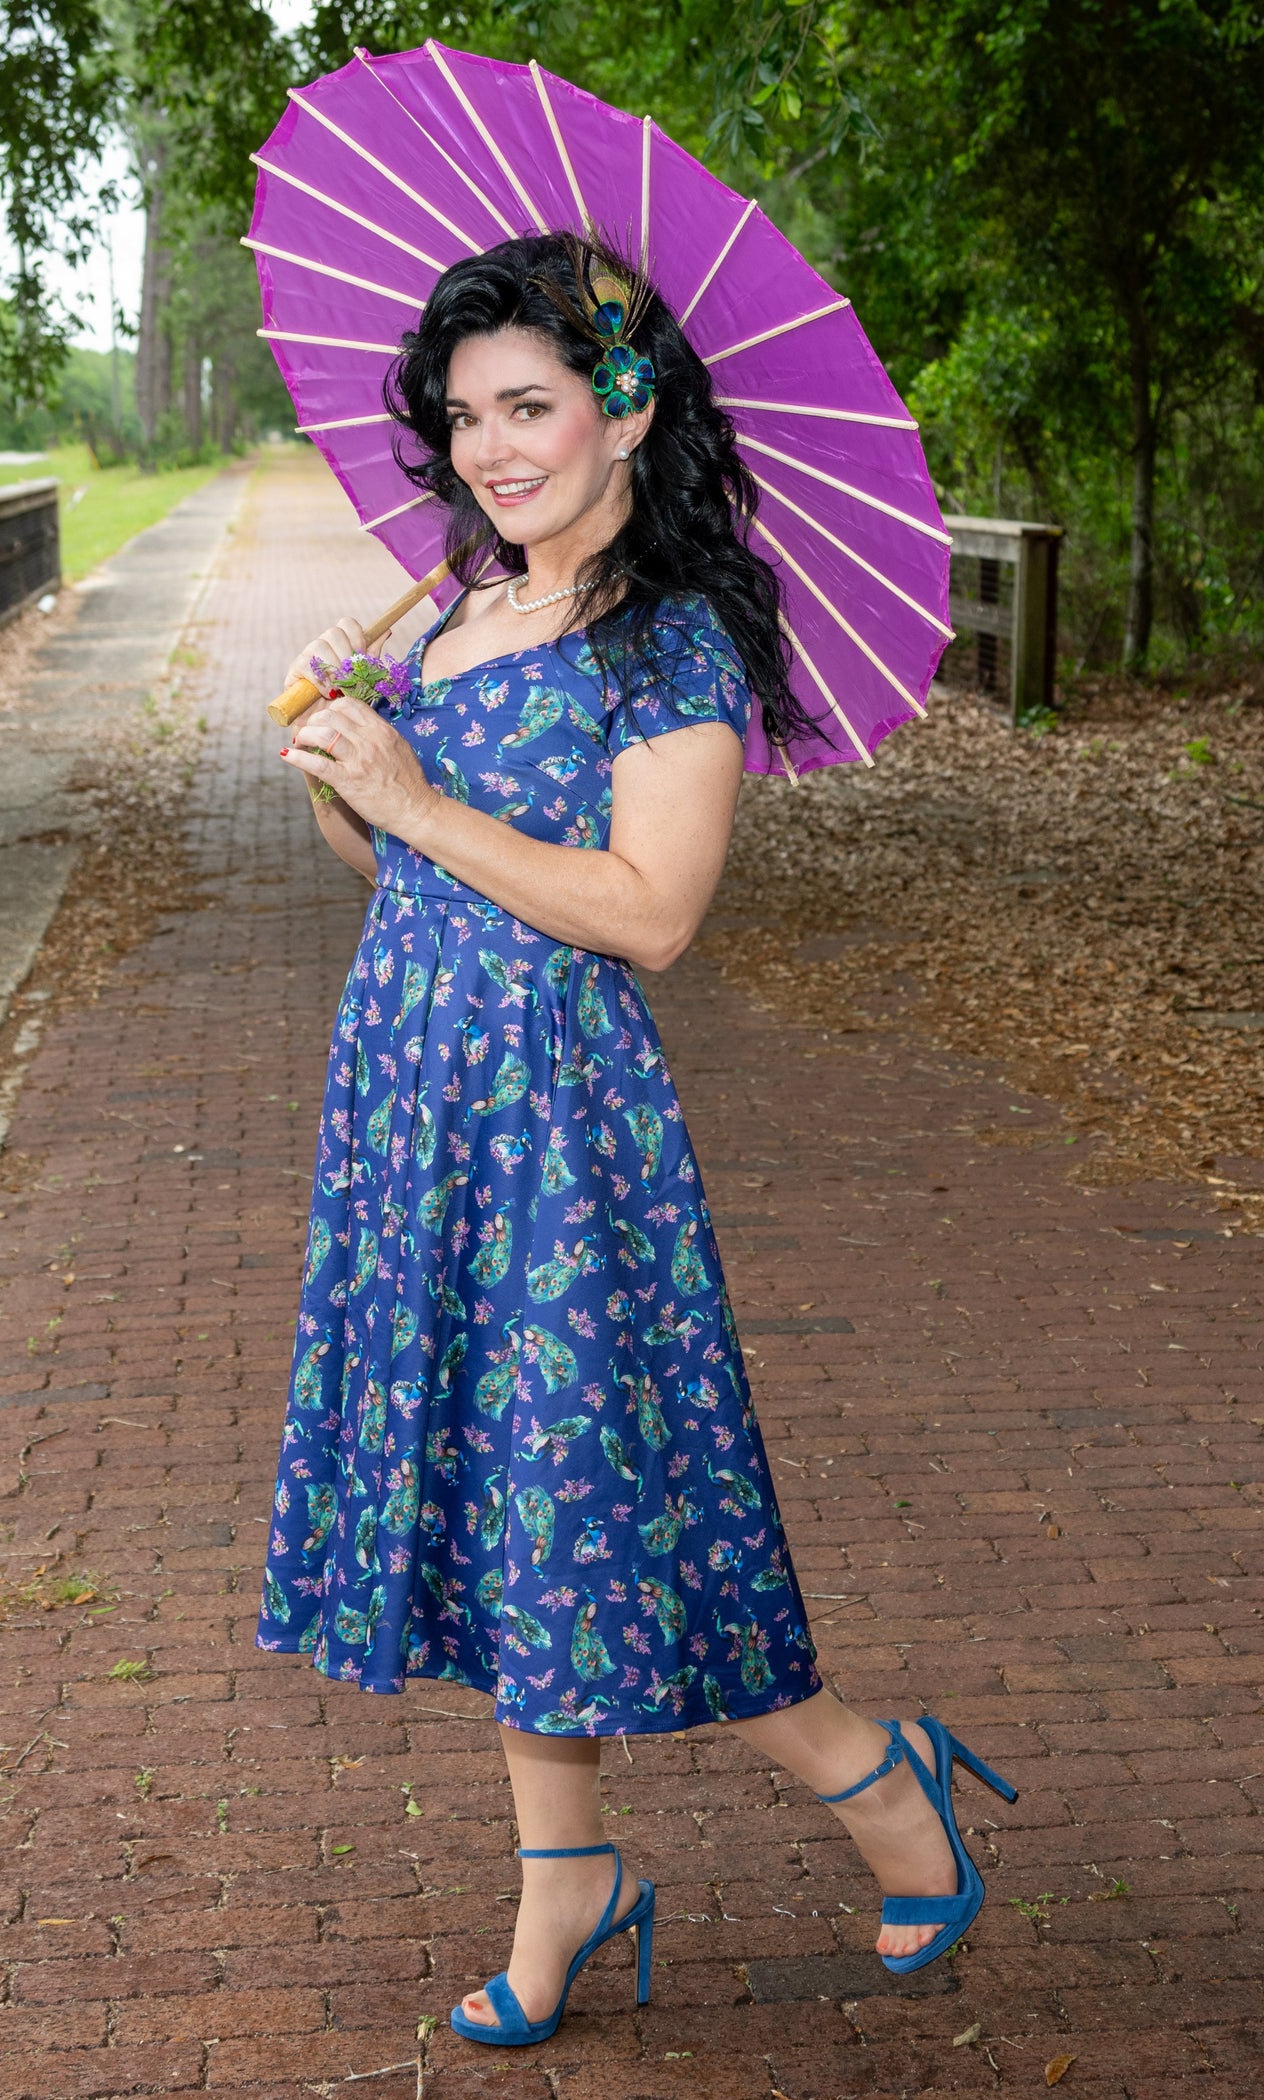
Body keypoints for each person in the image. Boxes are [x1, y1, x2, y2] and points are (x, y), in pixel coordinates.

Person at [257, 232, 1015, 2047]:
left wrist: (416, 796)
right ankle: (569, 1884)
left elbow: (653, 913)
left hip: (558, 1122)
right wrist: (343, 766)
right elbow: (389, 872)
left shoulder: (671, 638)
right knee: (507, 1507)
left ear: (629, 407)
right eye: (465, 417)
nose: (491, 449)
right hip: (414, 1106)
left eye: (529, 407)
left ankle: (876, 1776)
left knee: (621, 1496)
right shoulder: (451, 610)